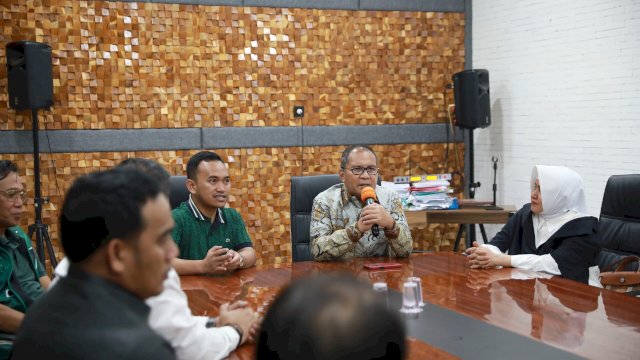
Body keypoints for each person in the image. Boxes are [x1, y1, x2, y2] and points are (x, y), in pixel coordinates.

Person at [51, 158, 259, 360]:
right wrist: (235, 330)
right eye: (160, 238)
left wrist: (214, 323)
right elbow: (188, 349)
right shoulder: (145, 271)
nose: (170, 252)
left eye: (226, 180)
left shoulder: (73, 273)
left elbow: (168, 326)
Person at [13, 168, 177, 359]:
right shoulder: (141, 349)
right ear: (117, 254)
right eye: (162, 239)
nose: (173, 251)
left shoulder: (40, 313)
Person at [466, 165, 601, 286]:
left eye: (541, 190)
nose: (533, 194)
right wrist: (482, 252)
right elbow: (498, 242)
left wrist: (500, 259)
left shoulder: (583, 227)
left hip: (575, 300)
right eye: (534, 187)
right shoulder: (526, 213)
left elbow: (552, 264)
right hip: (532, 298)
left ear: (560, 196)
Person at [256, 273, 406, 359]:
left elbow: (406, 247)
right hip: (335, 275)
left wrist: (391, 227)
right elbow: (320, 250)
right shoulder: (323, 215)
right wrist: (356, 230)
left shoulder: (392, 215)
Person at [310, 145, 412, 261]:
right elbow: (317, 252)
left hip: (382, 275)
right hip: (340, 276)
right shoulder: (324, 201)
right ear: (342, 175)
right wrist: (356, 230)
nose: (365, 176)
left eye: (371, 169)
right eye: (357, 169)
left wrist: (390, 225)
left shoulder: (390, 198)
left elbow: (406, 251)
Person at [172, 151, 256, 275]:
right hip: (188, 293)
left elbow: (250, 252)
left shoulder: (232, 217)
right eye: (213, 181)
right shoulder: (174, 219)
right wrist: (202, 266)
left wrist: (240, 258)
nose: (222, 189)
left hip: (225, 291)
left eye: (226, 181)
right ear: (192, 186)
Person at [0, 160, 50, 360]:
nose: (20, 203)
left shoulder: (18, 235)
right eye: (11, 195)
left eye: (21, 194)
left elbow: (43, 281)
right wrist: (43, 327)